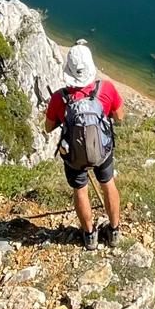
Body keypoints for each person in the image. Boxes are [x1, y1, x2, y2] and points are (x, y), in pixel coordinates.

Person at [45, 40, 124, 250]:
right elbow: (120, 117)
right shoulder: (106, 88)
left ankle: (89, 237)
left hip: (74, 156)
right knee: (108, 184)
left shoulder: (59, 98)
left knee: (80, 190)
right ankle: (114, 232)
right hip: (103, 150)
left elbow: (48, 127)